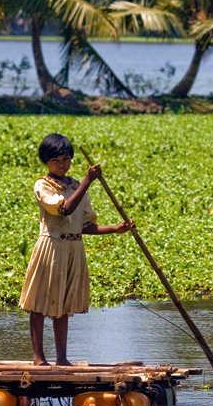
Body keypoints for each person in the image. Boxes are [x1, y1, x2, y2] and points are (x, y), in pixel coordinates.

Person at [18, 133, 133, 366]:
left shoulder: (75, 186)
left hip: (73, 248)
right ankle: (39, 358)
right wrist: (88, 180)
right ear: (46, 162)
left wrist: (115, 228)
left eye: (66, 159)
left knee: (64, 304)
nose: (61, 165)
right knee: (39, 303)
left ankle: (62, 359)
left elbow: (84, 226)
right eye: (55, 160)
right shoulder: (43, 185)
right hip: (51, 247)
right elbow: (65, 210)